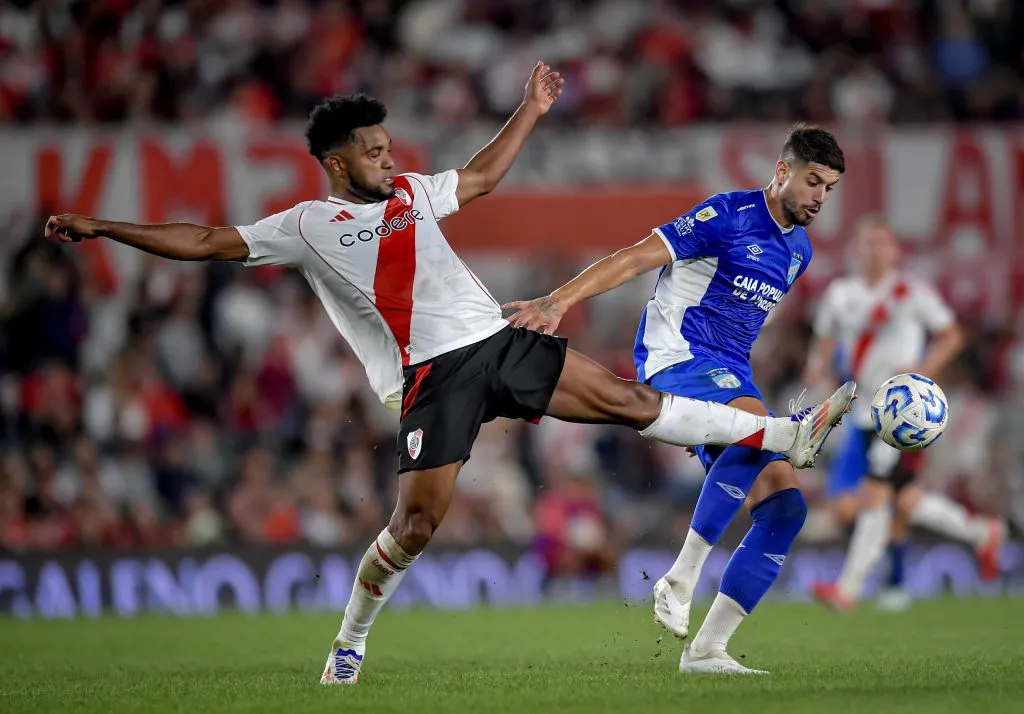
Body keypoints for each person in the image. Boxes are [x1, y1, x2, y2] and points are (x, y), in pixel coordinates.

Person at [46, 67, 853, 685]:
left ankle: (784, 434)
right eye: (373, 152)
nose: (388, 159)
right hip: (431, 376)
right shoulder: (304, 226)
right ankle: (351, 639)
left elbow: (482, 177)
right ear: (335, 162)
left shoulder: (411, 191)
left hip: (496, 338)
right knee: (418, 527)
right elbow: (204, 240)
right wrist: (104, 226)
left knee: (631, 399)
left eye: (388, 147)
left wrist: (531, 108)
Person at [506, 124, 855, 675]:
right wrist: (559, 300)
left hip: (729, 376)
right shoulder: (726, 215)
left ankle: (707, 650)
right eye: (813, 182)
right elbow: (634, 258)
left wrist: (714, 414)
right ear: (783, 171)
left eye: (829, 188)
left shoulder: (799, 251)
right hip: (676, 357)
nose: (820, 197)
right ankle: (681, 577)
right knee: (758, 427)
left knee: (785, 508)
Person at [804, 215, 1004, 613]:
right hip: (863, 411)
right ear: (857, 248)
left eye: (882, 243)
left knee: (876, 493)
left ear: (895, 250)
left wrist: (921, 372)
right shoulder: (841, 294)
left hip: (903, 414)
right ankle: (983, 531)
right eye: (868, 242)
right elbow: (825, 340)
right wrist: (817, 370)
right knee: (905, 500)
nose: (874, 250)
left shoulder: (911, 292)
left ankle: (849, 588)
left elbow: (952, 336)